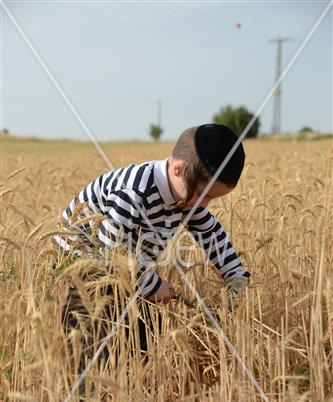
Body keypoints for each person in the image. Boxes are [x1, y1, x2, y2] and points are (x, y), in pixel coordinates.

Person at [55, 124, 250, 375]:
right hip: (82, 265)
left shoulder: (187, 195)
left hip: (126, 265)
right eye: (203, 195)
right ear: (178, 169)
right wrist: (153, 285)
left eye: (212, 199)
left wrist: (234, 275)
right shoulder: (134, 192)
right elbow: (110, 253)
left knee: (147, 327)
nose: (204, 204)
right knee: (93, 341)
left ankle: (130, 390)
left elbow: (210, 233)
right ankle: (86, 398)